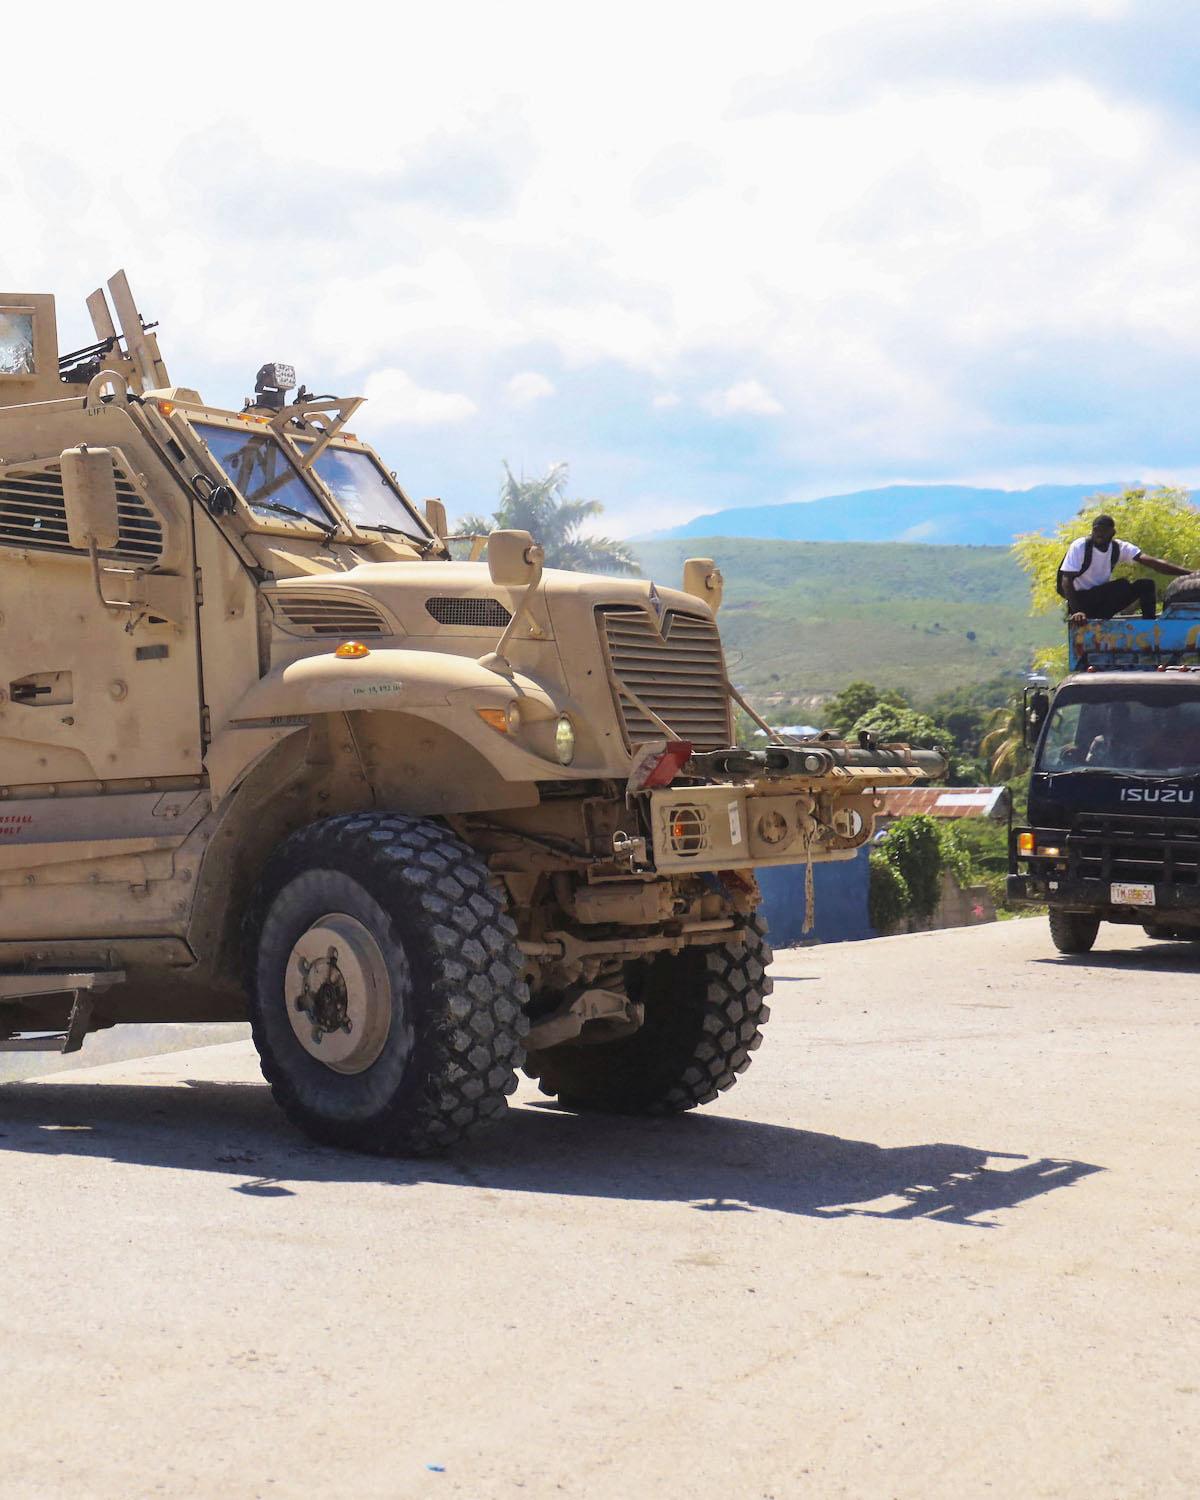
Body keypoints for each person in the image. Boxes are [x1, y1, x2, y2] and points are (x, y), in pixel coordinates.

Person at [1060, 514, 1190, 624]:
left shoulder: (1119, 548)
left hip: (1103, 603)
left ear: (1112, 533)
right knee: (1121, 585)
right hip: (1082, 602)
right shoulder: (1080, 546)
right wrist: (1077, 611)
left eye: (1104, 531)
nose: (1099, 534)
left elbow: (1154, 563)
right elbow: (1066, 581)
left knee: (1146, 585)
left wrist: (1190, 573)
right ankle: (1082, 612)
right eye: (1096, 530)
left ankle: (1149, 627)